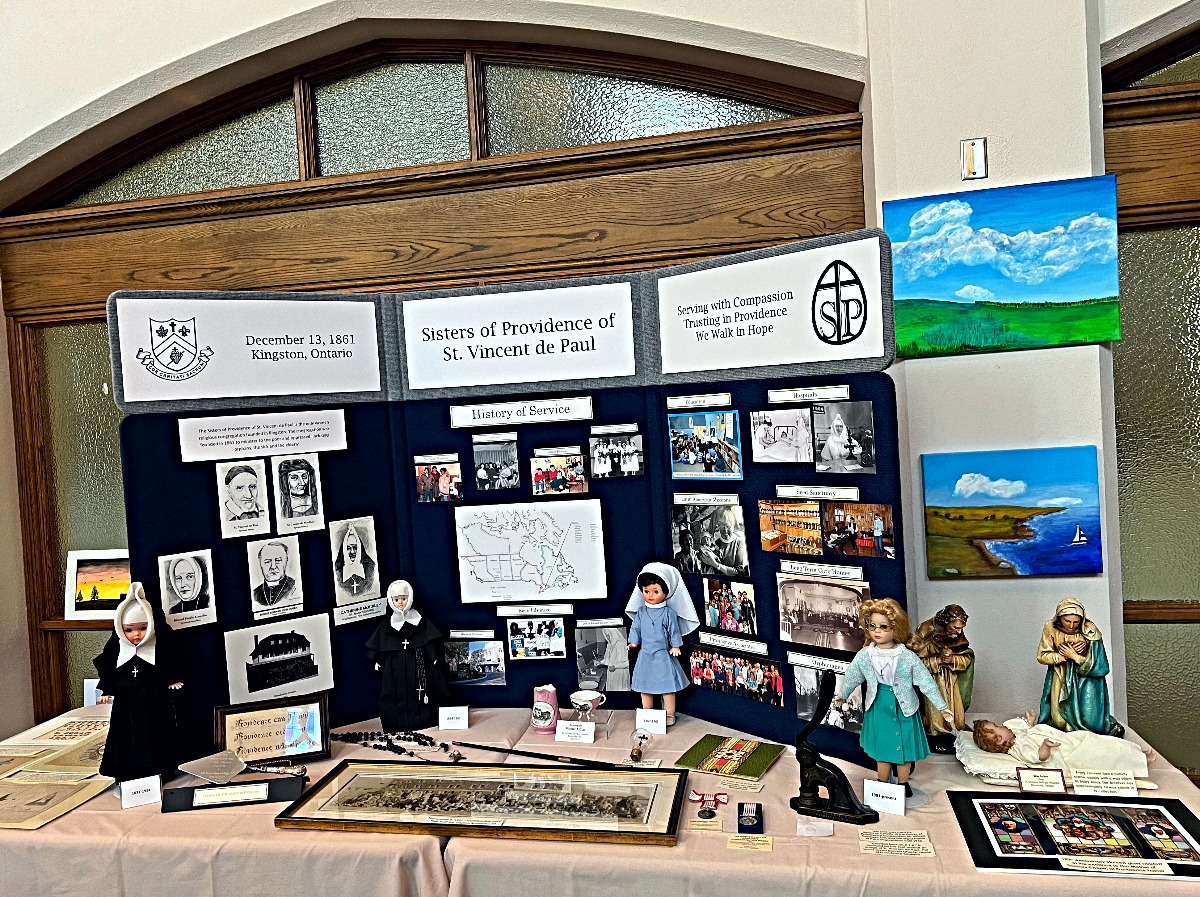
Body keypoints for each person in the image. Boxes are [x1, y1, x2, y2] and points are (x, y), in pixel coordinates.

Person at [836, 598, 952, 797]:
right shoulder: (865, 655)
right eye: (872, 626)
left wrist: (942, 707)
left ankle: (903, 783)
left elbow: (926, 683)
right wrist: (843, 695)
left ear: (896, 628)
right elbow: (852, 675)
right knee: (883, 749)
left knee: (905, 750)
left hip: (904, 707)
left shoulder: (907, 657)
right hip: (878, 705)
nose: (877, 632)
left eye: (883, 627)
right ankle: (882, 783)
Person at [94, 585, 183, 783]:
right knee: (125, 736)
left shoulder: (158, 652)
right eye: (129, 630)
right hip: (126, 705)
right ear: (120, 629)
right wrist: (108, 690)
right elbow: (109, 670)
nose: (136, 635)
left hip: (155, 701)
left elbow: (169, 664)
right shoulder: (117, 656)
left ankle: (162, 768)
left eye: (143, 628)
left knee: (159, 734)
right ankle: (126, 772)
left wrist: (172, 680)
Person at [366, 581, 450, 731]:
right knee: (392, 693)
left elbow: (430, 638)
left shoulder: (419, 620)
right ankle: (395, 724)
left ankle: (423, 721)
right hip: (394, 668)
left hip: (418, 663)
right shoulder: (387, 625)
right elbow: (378, 643)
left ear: (410, 598)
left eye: (404, 599)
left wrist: (434, 655)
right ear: (391, 600)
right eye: (396, 600)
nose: (400, 603)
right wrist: (377, 659)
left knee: (421, 694)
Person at [1037, 598, 1124, 737]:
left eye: (1076, 622)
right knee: (1058, 719)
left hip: (1085, 682)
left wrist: (1076, 657)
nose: (1071, 626)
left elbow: (1101, 666)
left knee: (1087, 720)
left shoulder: (1090, 632)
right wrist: (1063, 656)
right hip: (1061, 676)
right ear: (1060, 618)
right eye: (1067, 621)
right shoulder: (1051, 628)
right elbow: (1042, 656)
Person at [626, 563, 699, 725]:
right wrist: (633, 642)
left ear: (666, 592)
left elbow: (674, 630)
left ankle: (669, 715)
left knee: (667, 688)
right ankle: (647, 715)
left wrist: (675, 645)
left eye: (655, 591)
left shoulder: (668, 613)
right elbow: (636, 628)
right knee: (645, 688)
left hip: (662, 655)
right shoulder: (641, 612)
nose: (650, 595)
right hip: (645, 655)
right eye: (646, 591)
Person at [972, 710, 1153, 775]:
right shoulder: (1019, 748)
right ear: (999, 740)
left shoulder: (1015, 733)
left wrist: (1031, 721)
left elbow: (1026, 728)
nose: (1001, 724)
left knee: (1098, 740)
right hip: (1066, 754)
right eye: (997, 727)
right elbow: (1039, 757)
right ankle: (1136, 761)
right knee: (1098, 753)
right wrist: (1045, 747)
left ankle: (1135, 753)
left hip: (1069, 740)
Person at [913, 604, 974, 752]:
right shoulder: (924, 635)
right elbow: (914, 666)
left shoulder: (957, 638)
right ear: (945, 624)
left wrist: (952, 659)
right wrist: (938, 660)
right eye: (955, 628)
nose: (959, 632)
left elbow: (966, 659)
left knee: (956, 715)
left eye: (961, 628)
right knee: (935, 714)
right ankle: (935, 732)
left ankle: (953, 729)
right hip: (931, 682)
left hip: (951, 682)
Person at [698, 507, 749, 577]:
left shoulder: (739, 543)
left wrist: (716, 565)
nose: (725, 530)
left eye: (728, 526)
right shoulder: (715, 543)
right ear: (718, 526)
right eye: (722, 526)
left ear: (733, 526)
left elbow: (739, 572)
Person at [333, 522, 377, 598]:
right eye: (348, 548)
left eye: (355, 547)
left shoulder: (370, 568)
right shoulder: (338, 571)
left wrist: (352, 530)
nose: (352, 552)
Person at [253, 540, 297, 607]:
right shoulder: (255, 593)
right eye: (267, 562)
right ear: (260, 564)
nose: (273, 567)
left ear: (286, 562)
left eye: (278, 560)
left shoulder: (296, 586)